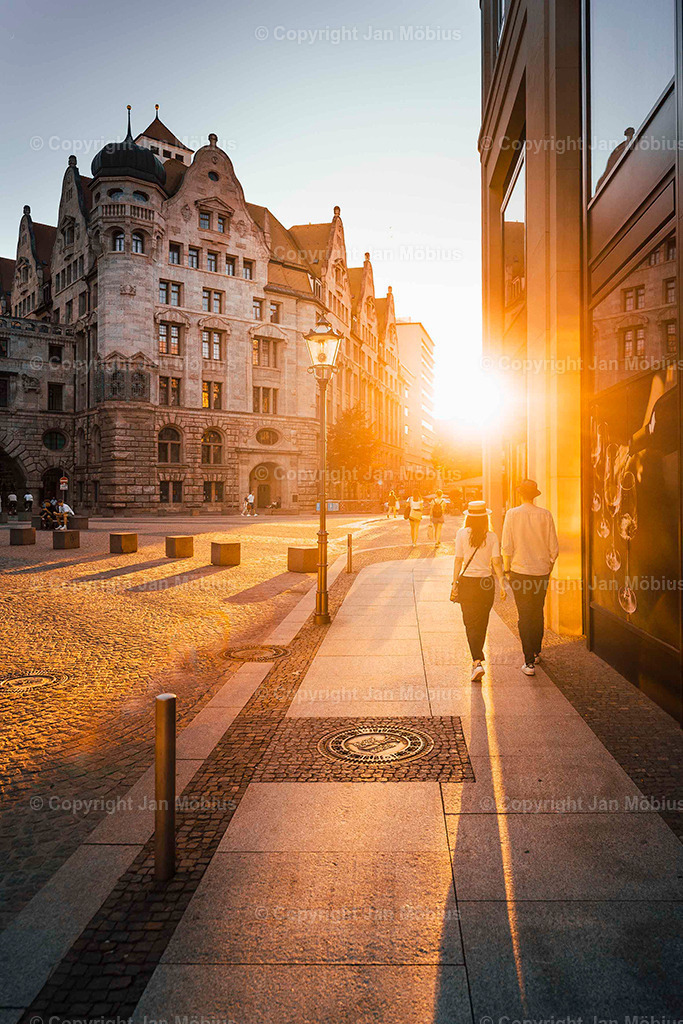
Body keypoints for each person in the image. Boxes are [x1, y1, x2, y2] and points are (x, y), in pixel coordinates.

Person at [502, 478, 559, 676]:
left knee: (524, 615)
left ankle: (528, 662)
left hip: (520, 571)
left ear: (520, 494)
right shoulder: (545, 515)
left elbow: (506, 546)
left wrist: (507, 570)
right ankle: (535, 651)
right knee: (537, 611)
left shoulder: (512, 514)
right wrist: (548, 565)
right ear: (535, 496)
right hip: (541, 572)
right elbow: (554, 548)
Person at [451, 500, 506, 681]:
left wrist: (453, 583)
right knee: (482, 623)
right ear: (485, 517)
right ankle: (477, 660)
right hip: (486, 584)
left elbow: (458, 560)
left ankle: (476, 661)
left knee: (470, 623)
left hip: (467, 583)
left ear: (469, 516)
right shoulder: (491, 536)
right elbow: (496, 562)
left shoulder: (461, 534)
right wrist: (502, 583)